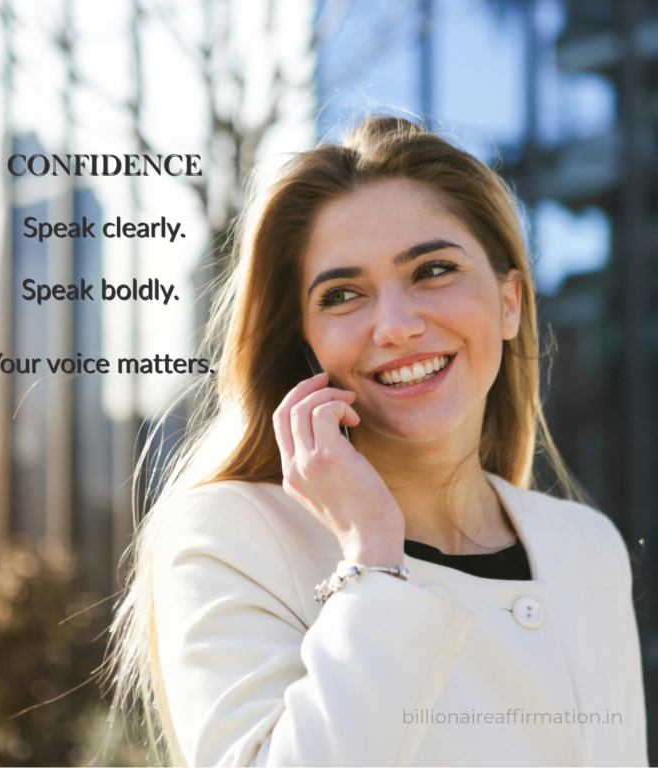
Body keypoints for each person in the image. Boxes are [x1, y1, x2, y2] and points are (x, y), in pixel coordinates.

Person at [107, 114, 648, 767]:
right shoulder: (231, 535)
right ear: (306, 343)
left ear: (510, 303)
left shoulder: (585, 545)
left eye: (433, 270)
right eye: (341, 294)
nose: (393, 327)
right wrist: (371, 558)